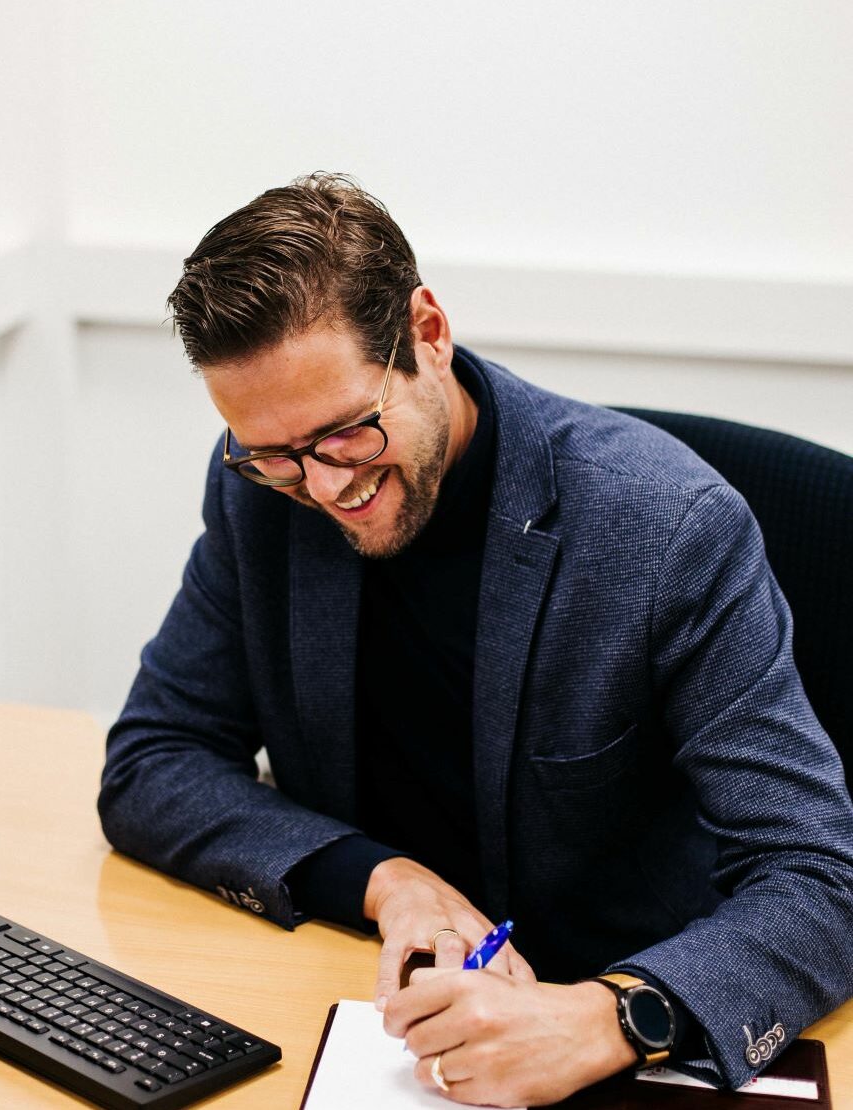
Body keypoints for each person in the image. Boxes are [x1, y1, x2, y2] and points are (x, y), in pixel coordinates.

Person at [98, 173, 853, 1106]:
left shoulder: (667, 528)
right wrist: (382, 881)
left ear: (427, 332)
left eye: (344, 436)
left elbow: (819, 876)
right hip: (372, 1021)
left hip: (613, 1025)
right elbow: (153, 759)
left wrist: (616, 1016)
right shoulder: (261, 498)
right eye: (272, 455)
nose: (322, 490)